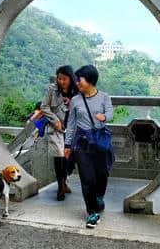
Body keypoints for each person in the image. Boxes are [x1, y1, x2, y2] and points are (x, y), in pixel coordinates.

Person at [64, 65, 114, 228]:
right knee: (87, 178)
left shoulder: (104, 97)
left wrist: (104, 117)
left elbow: (110, 114)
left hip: (99, 142)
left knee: (102, 174)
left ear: (90, 80)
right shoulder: (76, 101)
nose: (77, 82)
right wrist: (67, 144)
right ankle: (92, 212)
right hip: (82, 143)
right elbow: (71, 124)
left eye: (80, 79)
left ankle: (99, 196)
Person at [40, 65, 78, 201]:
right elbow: (44, 106)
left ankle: (64, 182)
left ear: (70, 78)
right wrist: (55, 121)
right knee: (59, 156)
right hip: (56, 128)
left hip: (72, 129)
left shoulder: (76, 90)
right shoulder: (52, 89)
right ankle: (61, 187)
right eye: (59, 78)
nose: (61, 81)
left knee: (68, 158)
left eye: (64, 79)